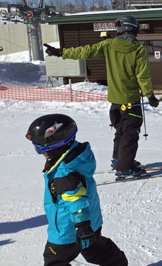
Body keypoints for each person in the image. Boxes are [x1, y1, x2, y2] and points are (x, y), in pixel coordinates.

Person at [44, 15, 159, 179]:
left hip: (115, 101)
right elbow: (143, 76)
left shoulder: (109, 45)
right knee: (130, 133)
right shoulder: (137, 50)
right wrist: (150, 95)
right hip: (131, 101)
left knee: (120, 131)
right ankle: (125, 168)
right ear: (134, 28)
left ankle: (118, 160)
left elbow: (85, 51)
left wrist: (61, 52)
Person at [25, 113, 128, 266]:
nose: (40, 153)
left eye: (39, 149)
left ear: (55, 145)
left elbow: (76, 200)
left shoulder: (64, 173)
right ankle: (116, 262)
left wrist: (82, 226)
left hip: (68, 230)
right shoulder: (77, 156)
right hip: (90, 223)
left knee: (54, 260)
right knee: (94, 249)